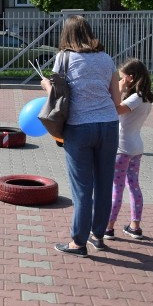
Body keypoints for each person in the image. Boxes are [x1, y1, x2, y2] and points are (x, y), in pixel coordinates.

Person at [41, 15, 121, 258]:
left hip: (79, 127)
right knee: (104, 183)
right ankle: (99, 235)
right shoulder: (107, 58)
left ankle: (78, 242)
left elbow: (56, 94)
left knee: (82, 188)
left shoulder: (63, 58)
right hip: (108, 125)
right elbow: (117, 101)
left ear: (66, 34)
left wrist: (45, 85)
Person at [105, 58, 153, 241]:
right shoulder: (146, 96)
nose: (121, 79)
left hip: (122, 149)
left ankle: (108, 227)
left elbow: (114, 109)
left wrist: (119, 88)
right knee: (133, 186)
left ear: (131, 78)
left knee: (116, 188)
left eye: (123, 77)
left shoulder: (135, 98)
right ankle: (135, 226)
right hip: (136, 147)